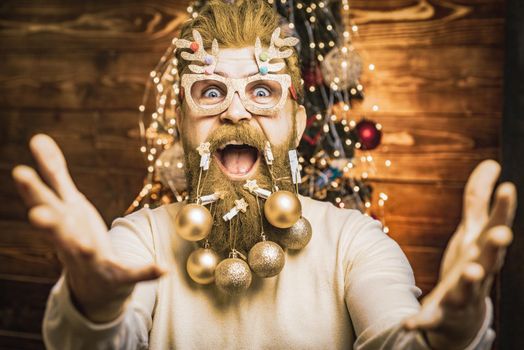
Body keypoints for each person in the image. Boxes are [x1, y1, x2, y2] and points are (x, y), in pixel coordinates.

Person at [11, 1, 516, 349]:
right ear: (183, 122)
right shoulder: (139, 241)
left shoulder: (355, 243)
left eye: (261, 91)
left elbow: (395, 336)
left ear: (296, 123)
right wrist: (92, 310)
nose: (234, 114)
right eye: (210, 92)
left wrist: (454, 336)